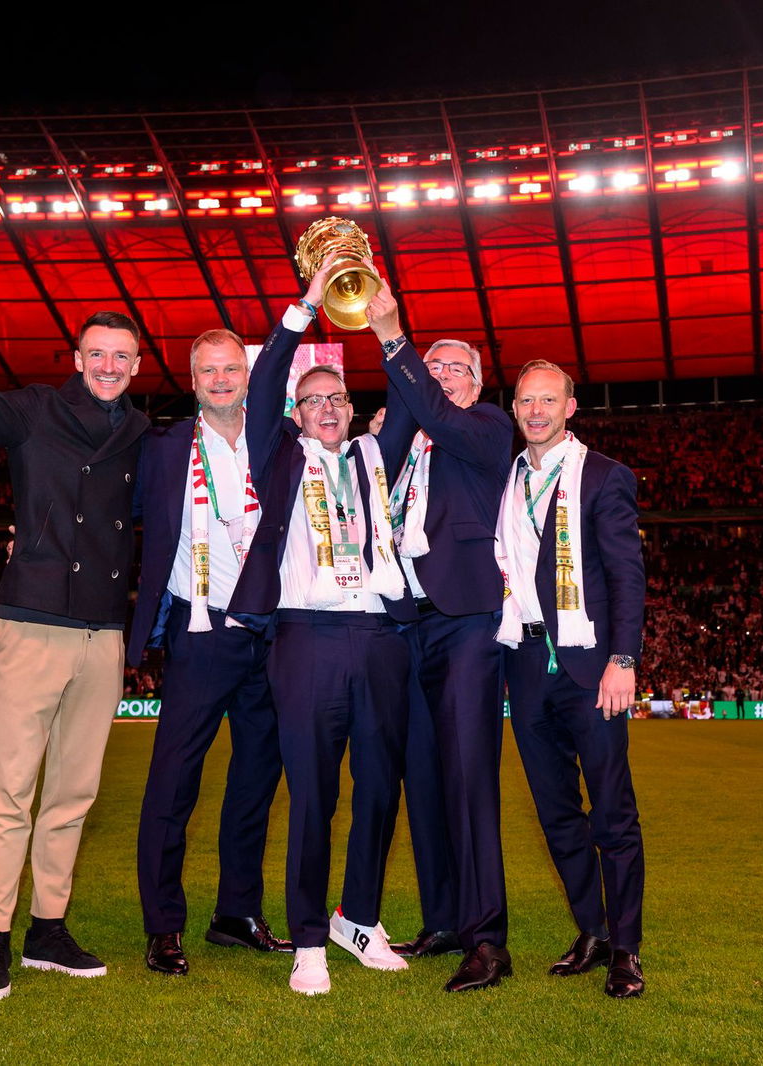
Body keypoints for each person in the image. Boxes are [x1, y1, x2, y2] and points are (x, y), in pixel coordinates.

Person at [0, 271, 150, 1001]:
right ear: (77, 356)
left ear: (138, 364)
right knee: (10, 794)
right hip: (31, 621)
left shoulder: (145, 432)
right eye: (98, 353)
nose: (110, 365)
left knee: (75, 794)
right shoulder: (34, 411)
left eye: (123, 355)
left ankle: (47, 928)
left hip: (102, 630)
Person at [126, 260, 339, 976]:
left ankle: (236, 914)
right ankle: (163, 924)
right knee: (173, 783)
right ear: (192, 381)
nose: (221, 379)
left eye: (231, 368)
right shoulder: (159, 452)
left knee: (256, 780)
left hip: (269, 635)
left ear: (249, 376)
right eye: (208, 370)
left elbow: (283, 361)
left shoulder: (277, 440)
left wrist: (304, 306)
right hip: (197, 633)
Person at [228, 324, 414, 996]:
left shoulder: (374, 451)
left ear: (352, 406)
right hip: (305, 637)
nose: (327, 408)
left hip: (379, 637)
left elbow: (411, 395)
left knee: (378, 789)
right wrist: (302, 312)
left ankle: (358, 919)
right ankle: (308, 937)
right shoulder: (278, 456)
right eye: (313, 401)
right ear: (295, 413)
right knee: (313, 795)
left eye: (337, 397)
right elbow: (262, 385)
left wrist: (388, 328)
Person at [363, 277, 515, 992]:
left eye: (454, 365)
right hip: (408, 623)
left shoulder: (483, 429)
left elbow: (434, 415)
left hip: (466, 623)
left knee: (468, 778)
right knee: (422, 778)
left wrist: (395, 339)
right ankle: (445, 917)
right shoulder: (409, 444)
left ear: (478, 382)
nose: (441, 373)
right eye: (434, 363)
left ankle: (488, 939)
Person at [494, 359, 648, 999]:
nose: (535, 411)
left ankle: (627, 949)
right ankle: (592, 931)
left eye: (547, 400)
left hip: (591, 669)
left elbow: (626, 576)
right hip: (526, 667)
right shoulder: (504, 478)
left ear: (570, 408)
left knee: (612, 815)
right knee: (558, 815)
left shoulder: (605, 477)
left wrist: (624, 659)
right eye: (526, 401)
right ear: (515, 409)